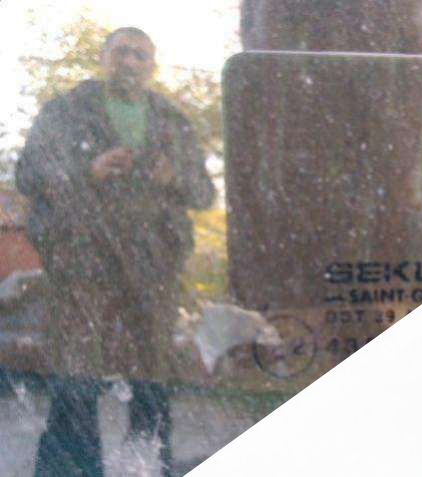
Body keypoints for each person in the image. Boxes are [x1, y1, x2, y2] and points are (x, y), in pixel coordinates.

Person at [15, 27, 215, 476]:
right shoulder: (65, 112)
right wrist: (87, 170)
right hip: (81, 262)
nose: (130, 62)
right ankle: (71, 470)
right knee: (77, 377)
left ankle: (147, 467)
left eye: (140, 55)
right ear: (104, 59)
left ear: (152, 66)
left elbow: (203, 193)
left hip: (153, 268)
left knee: (151, 380)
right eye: (121, 52)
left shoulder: (171, 120)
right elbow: (28, 174)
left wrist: (174, 178)